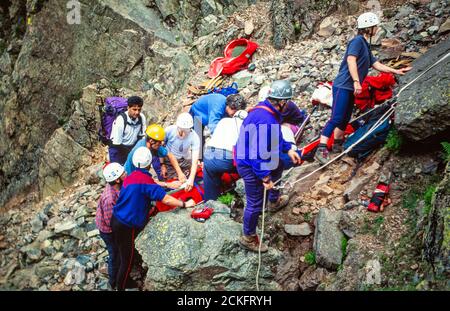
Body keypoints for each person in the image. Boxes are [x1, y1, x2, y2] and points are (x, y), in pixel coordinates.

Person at [314, 12, 411, 164]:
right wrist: (356, 82)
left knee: (345, 118)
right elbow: (351, 60)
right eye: (375, 26)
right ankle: (321, 148)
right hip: (343, 85)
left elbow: (376, 65)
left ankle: (337, 145)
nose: (377, 28)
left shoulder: (365, 45)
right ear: (368, 27)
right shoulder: (357, 41)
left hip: (350, 87)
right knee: (337, 117)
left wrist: (396, 71)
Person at [111, 147, 195, 290]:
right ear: (149, 163)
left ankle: (120, 280)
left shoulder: (130, 176)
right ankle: (121, 287)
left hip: (116, 219)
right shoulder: (146, 181)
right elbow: (166, 199)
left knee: (121, 252)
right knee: (127, 259)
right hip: (127, 225)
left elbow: (137, 193)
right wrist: (185, 203)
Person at [235, 80, 301, 252]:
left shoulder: (265, 111)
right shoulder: (267, 120)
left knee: (278, 164)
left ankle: (274, 200)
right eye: (287, 101)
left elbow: (275, 138)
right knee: (255, 202)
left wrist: (287, 149)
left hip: (249, 156)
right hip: (249, 163)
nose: (288, 105)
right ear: (281, 102)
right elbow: (257, 155)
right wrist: (265, 178)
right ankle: (248, 237)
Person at [203, 110, 248, 201]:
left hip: (209, 154)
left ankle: (210, 203)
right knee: (247, 170)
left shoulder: (223, 121)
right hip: (227, 157)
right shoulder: (246, 126)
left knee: (210, 176)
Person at [95, 163, 126, 290]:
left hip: (108, 223)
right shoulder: (109, 198)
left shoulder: (116, 186)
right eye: (123, 173)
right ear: (117, 179)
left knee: (117, 251)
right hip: (107, 231)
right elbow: (111, 223)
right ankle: (113, 282)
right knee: (114, 254)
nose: (126, 173)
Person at [163, 113, 200, 192]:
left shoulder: (194, 137)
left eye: (186, 130)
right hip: (169, 159)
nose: (183, 133)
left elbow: (195, 161)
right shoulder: (169, 131)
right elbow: (161, 148)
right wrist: (162, 164)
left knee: (187, 179)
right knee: (174, 182)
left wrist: (191, 179)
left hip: (184, 159)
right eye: (181, 130)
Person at [109, 96, 147, 165]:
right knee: (118, 172)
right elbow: (117, 143)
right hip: (117, 149)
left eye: (139, 110)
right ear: (128, 108)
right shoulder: (121, 120)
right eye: (134, 109)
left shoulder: (141, 118)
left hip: (131, 147)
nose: (137, 112)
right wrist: (130, 153)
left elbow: (142, 136)